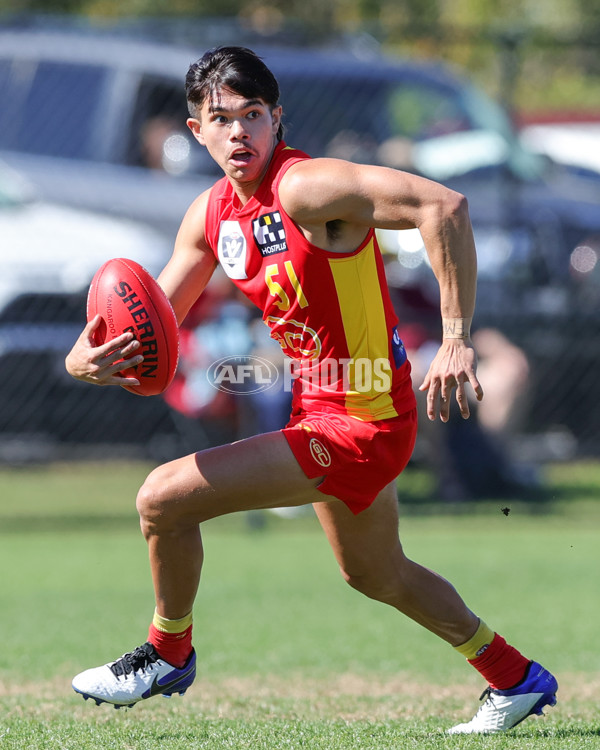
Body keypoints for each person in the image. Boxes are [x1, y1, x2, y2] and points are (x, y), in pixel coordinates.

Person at [64, 46, 557, 734]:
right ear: (195, 129)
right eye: (221, 118)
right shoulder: (210, 215)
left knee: (162, 500)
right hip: (322, 409)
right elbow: (157, 323)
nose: (239, 131)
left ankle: (168, 652)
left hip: (364, 420)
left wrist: (454, 338)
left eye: (253, 115)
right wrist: (85, 359)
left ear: (276, 119)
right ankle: (516, 676)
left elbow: (443, 205)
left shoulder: (308, 186)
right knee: (377, 575)